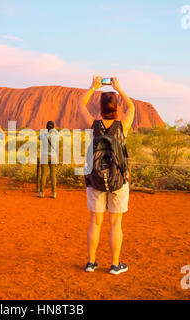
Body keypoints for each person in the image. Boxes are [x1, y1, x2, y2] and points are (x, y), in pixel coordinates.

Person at [78, 75, 135, 275]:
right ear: (116, 107)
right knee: (115, 223)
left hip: (95, 180)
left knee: (95, 221)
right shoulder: (123, 126)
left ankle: (91, 263)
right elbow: (132, 108)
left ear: (100, 108)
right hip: (119, 180)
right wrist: (119, 88)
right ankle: (114, 265)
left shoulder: (93, 125)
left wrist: (92, 87)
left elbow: (80, 105)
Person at [38, 120, 59, 199]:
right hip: (53, 156)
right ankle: (53, 193)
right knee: (53, 175)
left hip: (44, 156)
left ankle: (42, 193)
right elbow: (58, 135)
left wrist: (45, 131)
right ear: (53, 127)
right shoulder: (56, 136)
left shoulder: (43, 135)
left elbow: (38, 137)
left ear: (46, 127)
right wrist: (54, 130)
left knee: (43, 174)